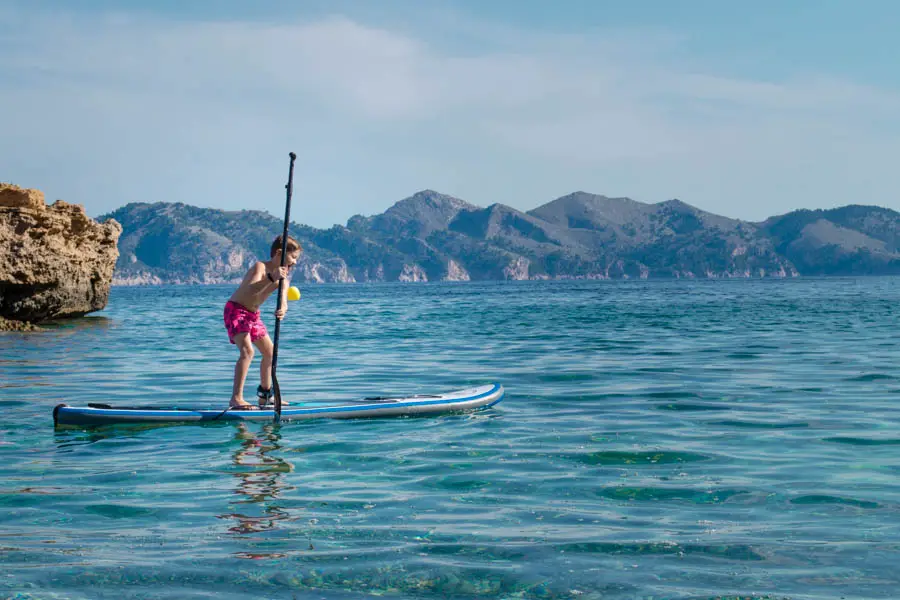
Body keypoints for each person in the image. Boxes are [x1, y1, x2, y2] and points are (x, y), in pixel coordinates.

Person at [223, 234, 301, 409]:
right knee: (247, 351)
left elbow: (283, 299)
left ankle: (266, 396)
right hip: (236, 310)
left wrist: (282, 309)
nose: (295, 262)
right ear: (279, 253)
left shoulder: (284, 277)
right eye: (293, 257)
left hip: (253, 315)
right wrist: (271, 278)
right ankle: (236, 398)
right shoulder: (261, 267)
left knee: (270, 353)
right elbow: (250, 289)